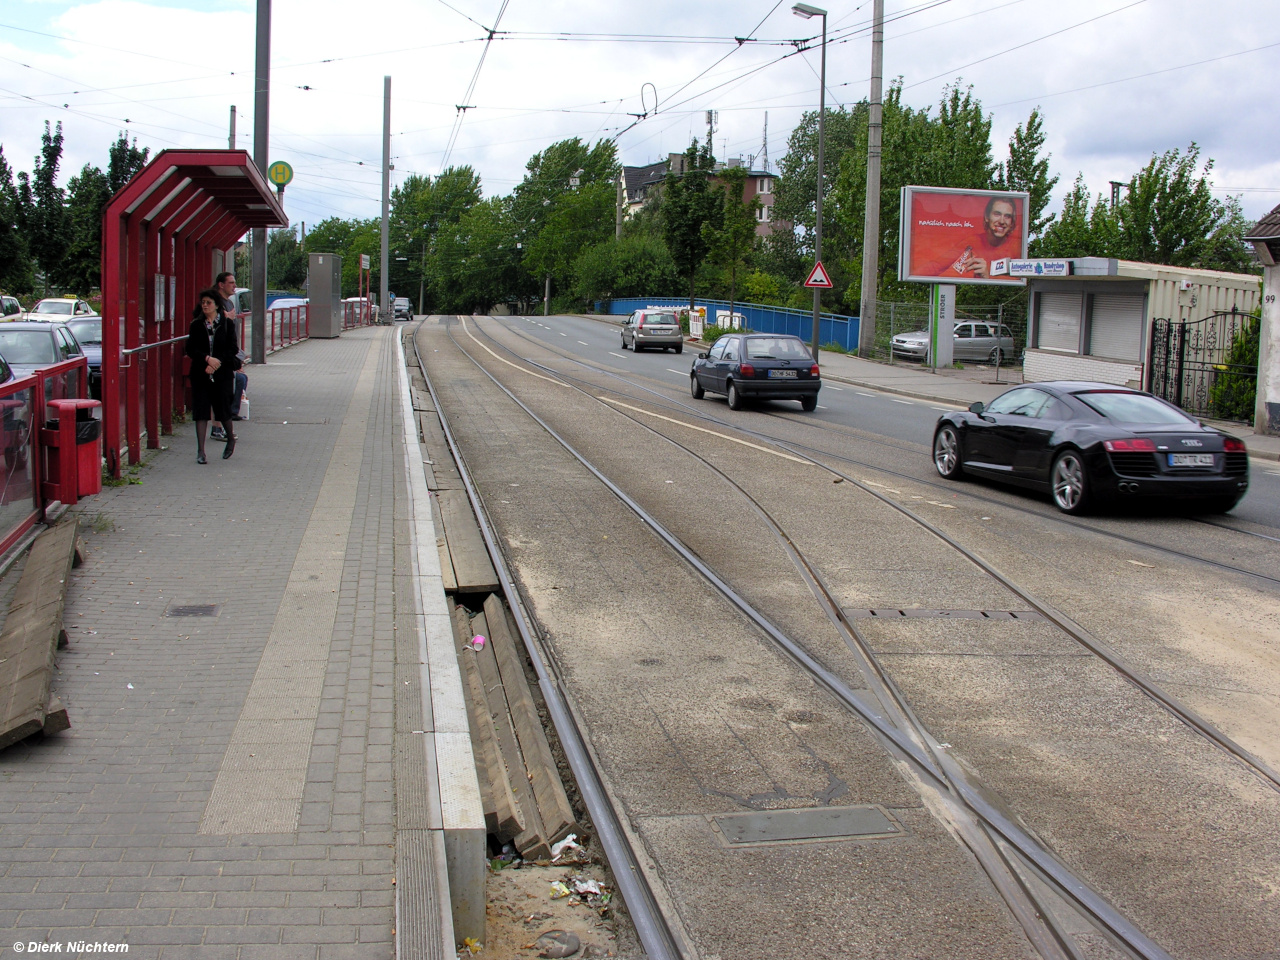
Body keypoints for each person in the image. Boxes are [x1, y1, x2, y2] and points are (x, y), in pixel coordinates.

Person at [185, 289, 241, 464]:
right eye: (203, 303)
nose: (205, 305)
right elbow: (191, 349)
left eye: (209, 302)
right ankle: (201, 451)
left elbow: (232, 349)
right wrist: (207, 359)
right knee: (201, 411)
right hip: (201, 373)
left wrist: (217, 363)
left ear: (217, 305)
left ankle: (230, 438)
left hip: (222, 374)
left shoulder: (226, 324)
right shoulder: (196, 325)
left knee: (222, 408)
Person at [920, 197, 1020, 280]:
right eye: (997, 214)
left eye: (1007, 216)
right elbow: (937, 265)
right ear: (987, 217)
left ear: (1012, 222)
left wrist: (989, 276)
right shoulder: (972, 242)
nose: (1002, 221)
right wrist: (909, 274)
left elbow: (1021, 283)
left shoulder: (1017, 247)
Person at [211, 272, 239, 441]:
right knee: (218, 391)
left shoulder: (228, 302)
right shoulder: (214, 302)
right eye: (231, 283)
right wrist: (225, 318)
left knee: (225, 391)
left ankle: (220, 426)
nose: (234, 286)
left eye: (234, 283)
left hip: (227, 352)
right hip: (215, 353)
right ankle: (216, 428)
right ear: (221, 284)